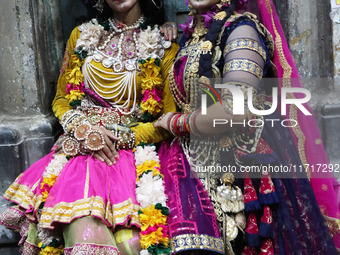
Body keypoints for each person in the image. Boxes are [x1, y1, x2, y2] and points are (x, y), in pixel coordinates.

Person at [154, 0, 340, 254]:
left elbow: (237, 108)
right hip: (186, 159)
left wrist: (177, 123)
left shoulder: (243, 30)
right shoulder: (189, 35)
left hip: (232, 165)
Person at [0, 0, 179, 254]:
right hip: (81, 149)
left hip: (131, 152)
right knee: (79, 225)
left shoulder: (163, 43)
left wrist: (119, 136)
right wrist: (82, 129)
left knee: (133, 243)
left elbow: (168, 118)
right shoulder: (82, 35)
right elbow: (62, 97)